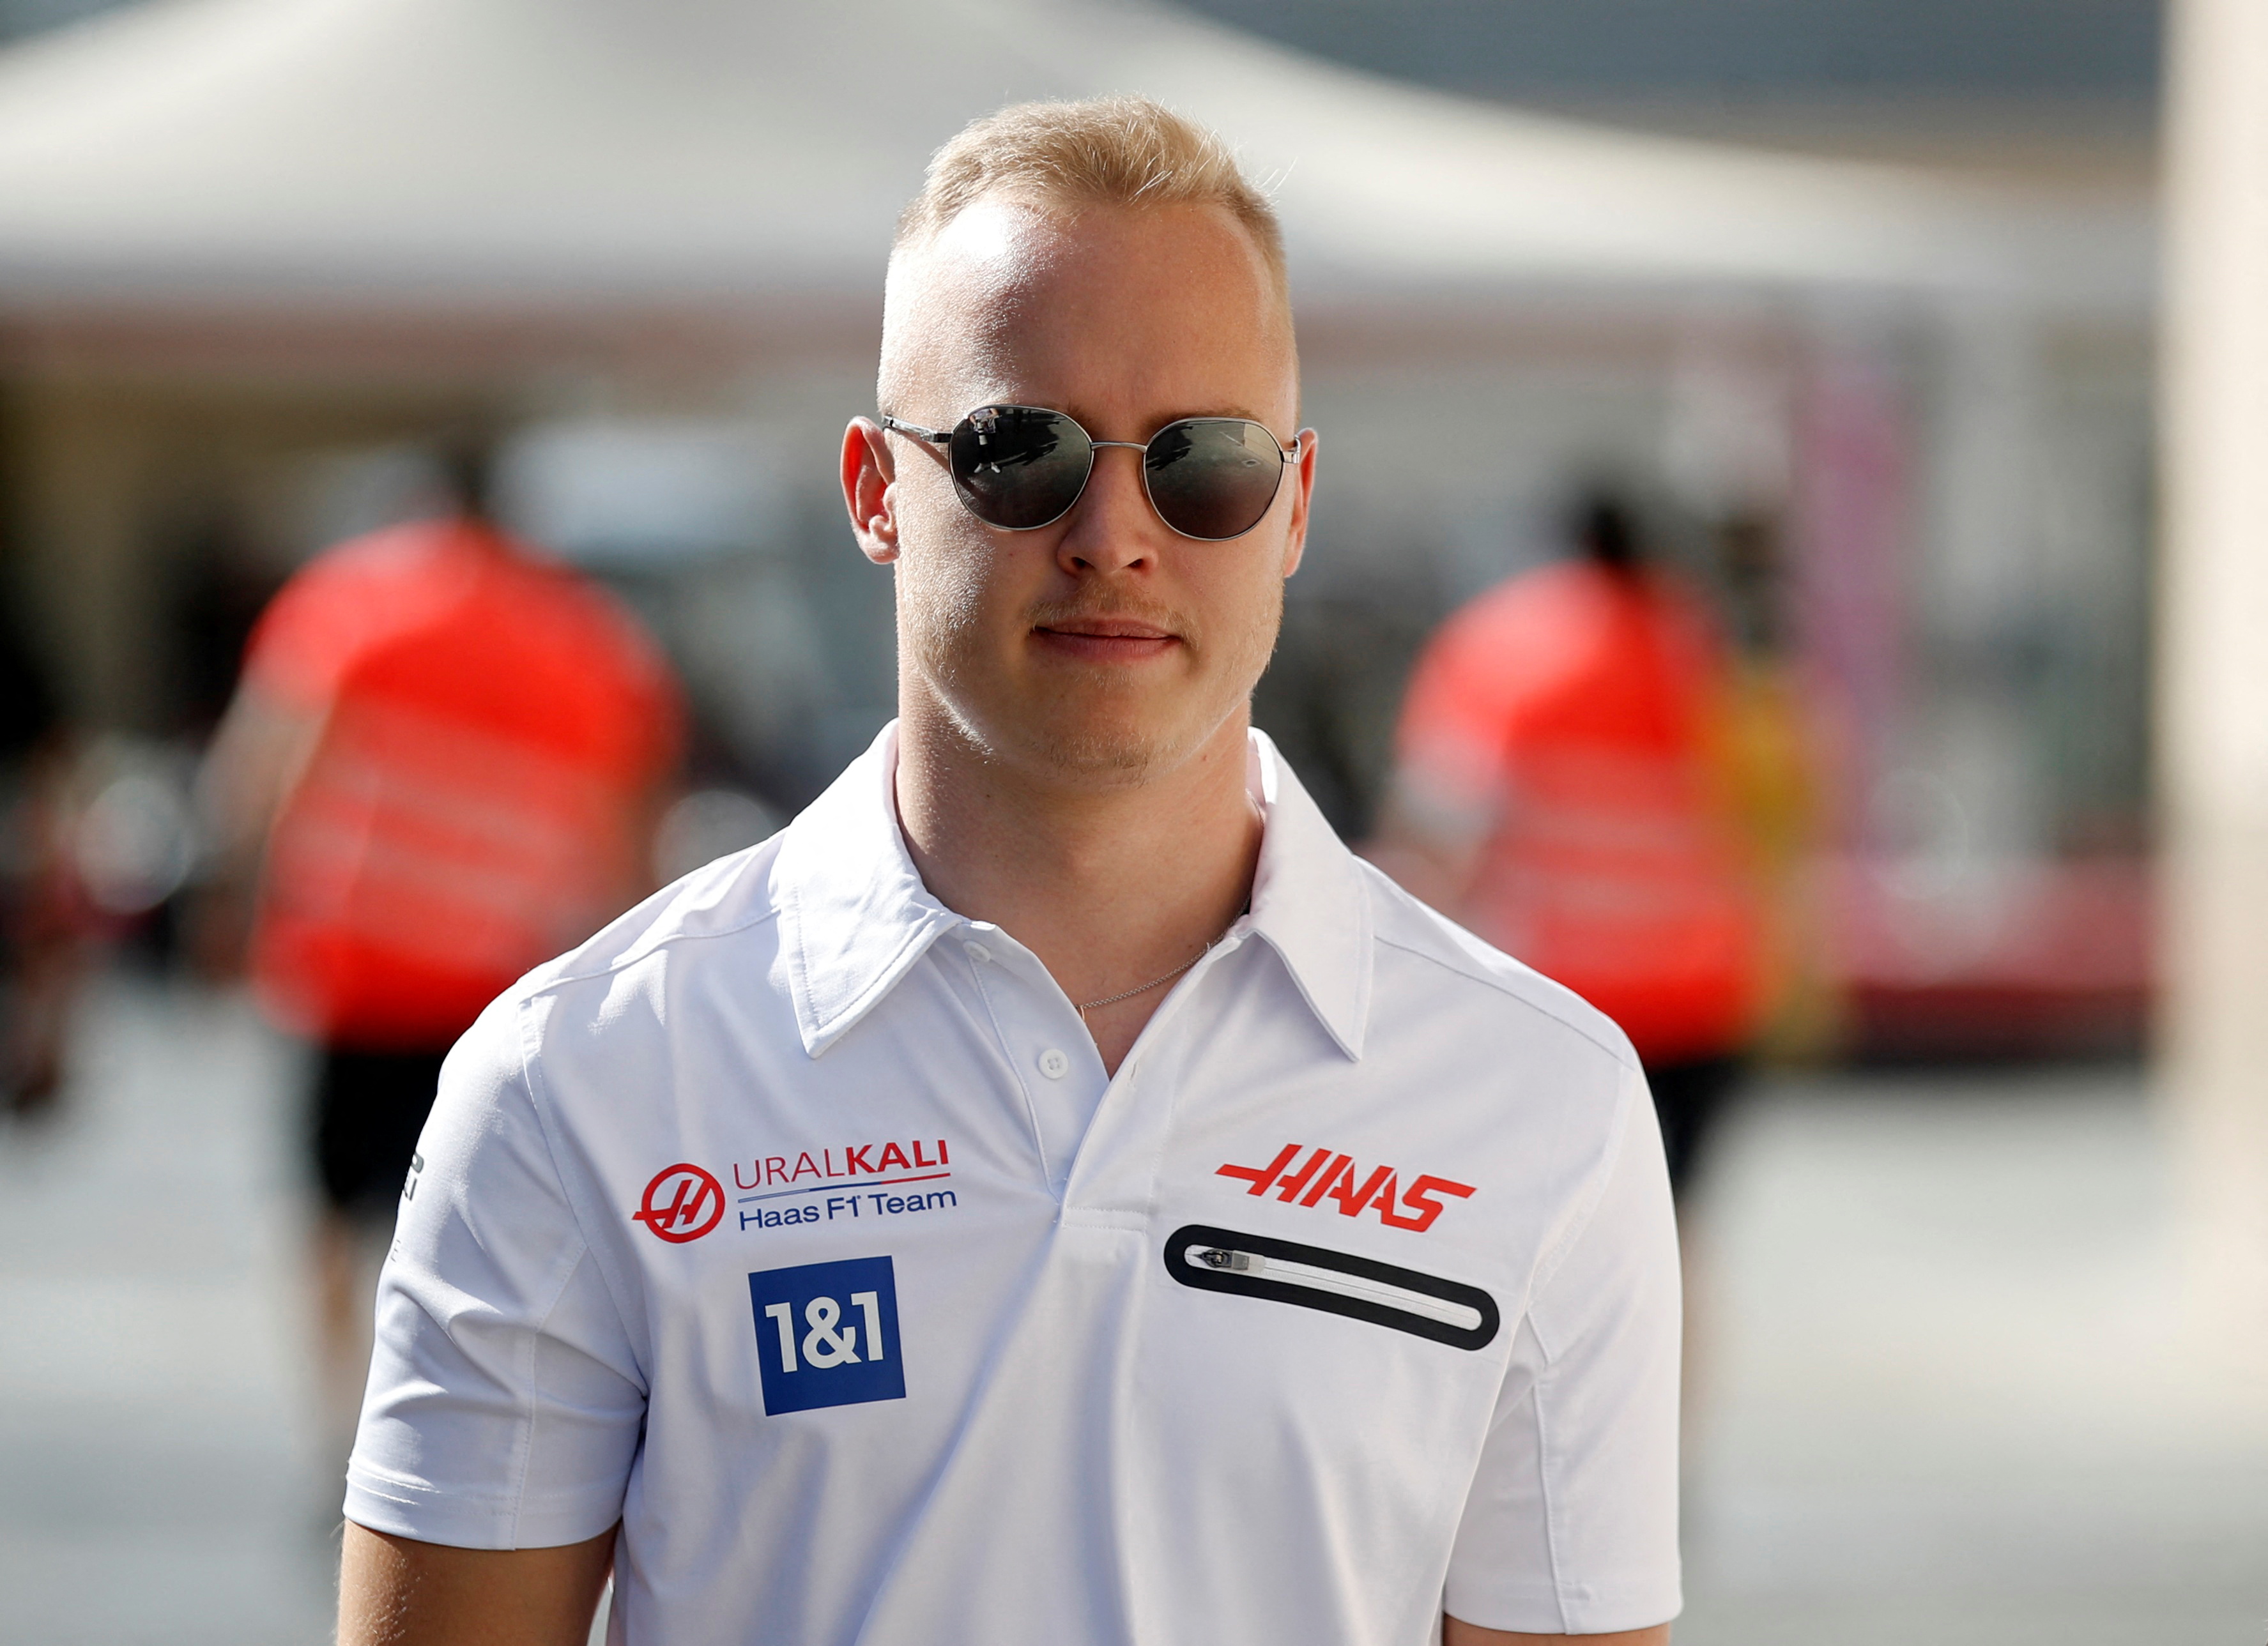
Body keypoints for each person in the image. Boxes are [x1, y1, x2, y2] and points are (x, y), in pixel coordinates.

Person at [338, 100, 1680, 1646]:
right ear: (874, 490)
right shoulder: (577, 1079)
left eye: (1206, 463)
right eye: (1017, 449)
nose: (1115, 533)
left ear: (1294, 505)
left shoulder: (1541, 1101)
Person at [201, 445, 683, 1446]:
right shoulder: (581, 631)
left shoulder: (351, 600)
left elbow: (258, 771)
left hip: (352, 971)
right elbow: (631, 823)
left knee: (331, 1216)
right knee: (487, 1221)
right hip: (496, 987)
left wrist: (225, 906)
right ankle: (454, 1426)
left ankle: (344, 1430)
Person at [1379, 494, 1772, 1204]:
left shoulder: (1503, 643)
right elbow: (1769, 810)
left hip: (1554, 996)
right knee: (1668, 1229)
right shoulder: (1700, 645)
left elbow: (1442, 824)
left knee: (1540, 1228)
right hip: (1701, 993)